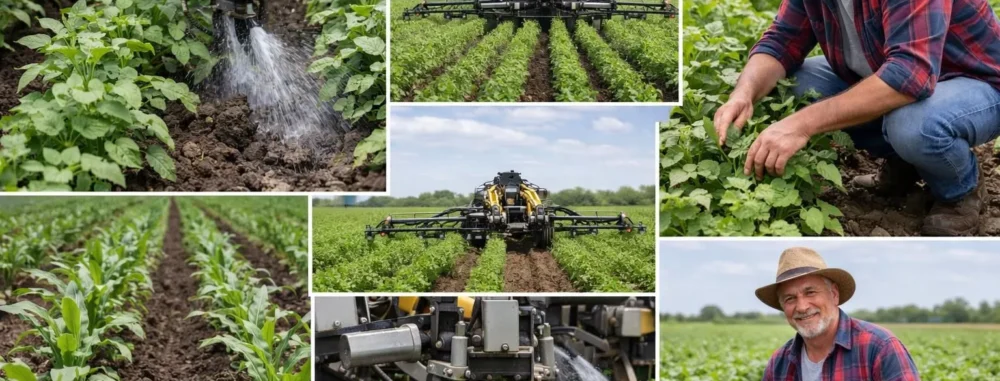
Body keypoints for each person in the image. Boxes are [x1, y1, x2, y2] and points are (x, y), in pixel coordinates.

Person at [713, 0, 1000, 235]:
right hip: (896, 77)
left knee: (914, 125)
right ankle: (906, 162)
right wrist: (743, 94)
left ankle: (960, 191)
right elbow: (781, 41)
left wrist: (799, 126)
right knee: (796, 87)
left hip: (977, 83)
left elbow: (911, 74)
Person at [756, 247, 920, 380]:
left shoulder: (879, 347)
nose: (802, 307)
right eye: (790, 298)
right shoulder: (779, 363)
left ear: (834, 294)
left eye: (811, 292)